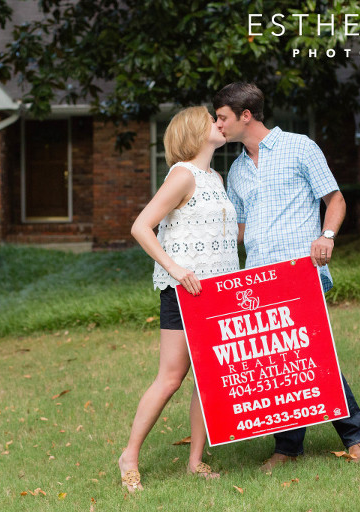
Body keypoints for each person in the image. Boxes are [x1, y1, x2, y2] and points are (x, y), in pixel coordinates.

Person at [212, 82, 360, 470]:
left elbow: (335, 199)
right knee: (281, 364)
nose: (217, 125)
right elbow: (242, 230)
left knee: (314, 355)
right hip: (258, 279)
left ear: (245, 116)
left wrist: (327, 235)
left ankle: (356, 437)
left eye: (222, 118)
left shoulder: (300, 147)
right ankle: (288, 448)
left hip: (300, 270)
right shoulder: (235, 171)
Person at [118, 106, 240, 492]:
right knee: (172, 377)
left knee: (209, 378)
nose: (219, 124)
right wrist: (175, 269)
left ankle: (194, 461)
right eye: (211, 120)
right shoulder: (183, 175)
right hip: (185, 291)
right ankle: (130, 455)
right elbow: (141, 226)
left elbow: (222, 234)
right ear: (194, 132)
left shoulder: (215, 177)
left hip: (220, 290)